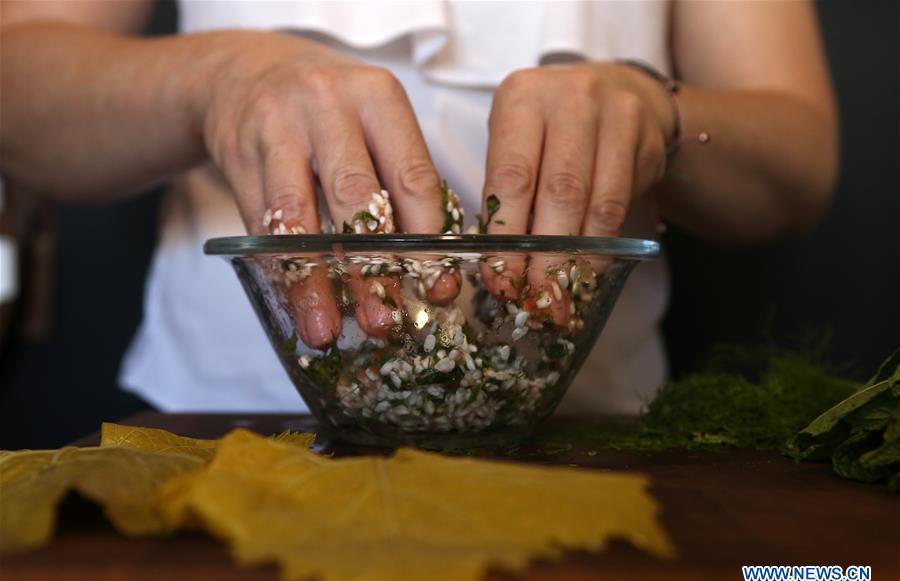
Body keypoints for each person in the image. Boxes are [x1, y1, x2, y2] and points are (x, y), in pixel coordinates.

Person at [0, 1, 837, 414]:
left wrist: (659, 113)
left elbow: (798, 162)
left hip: (598, 439)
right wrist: (212, 82)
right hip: (225, 434)